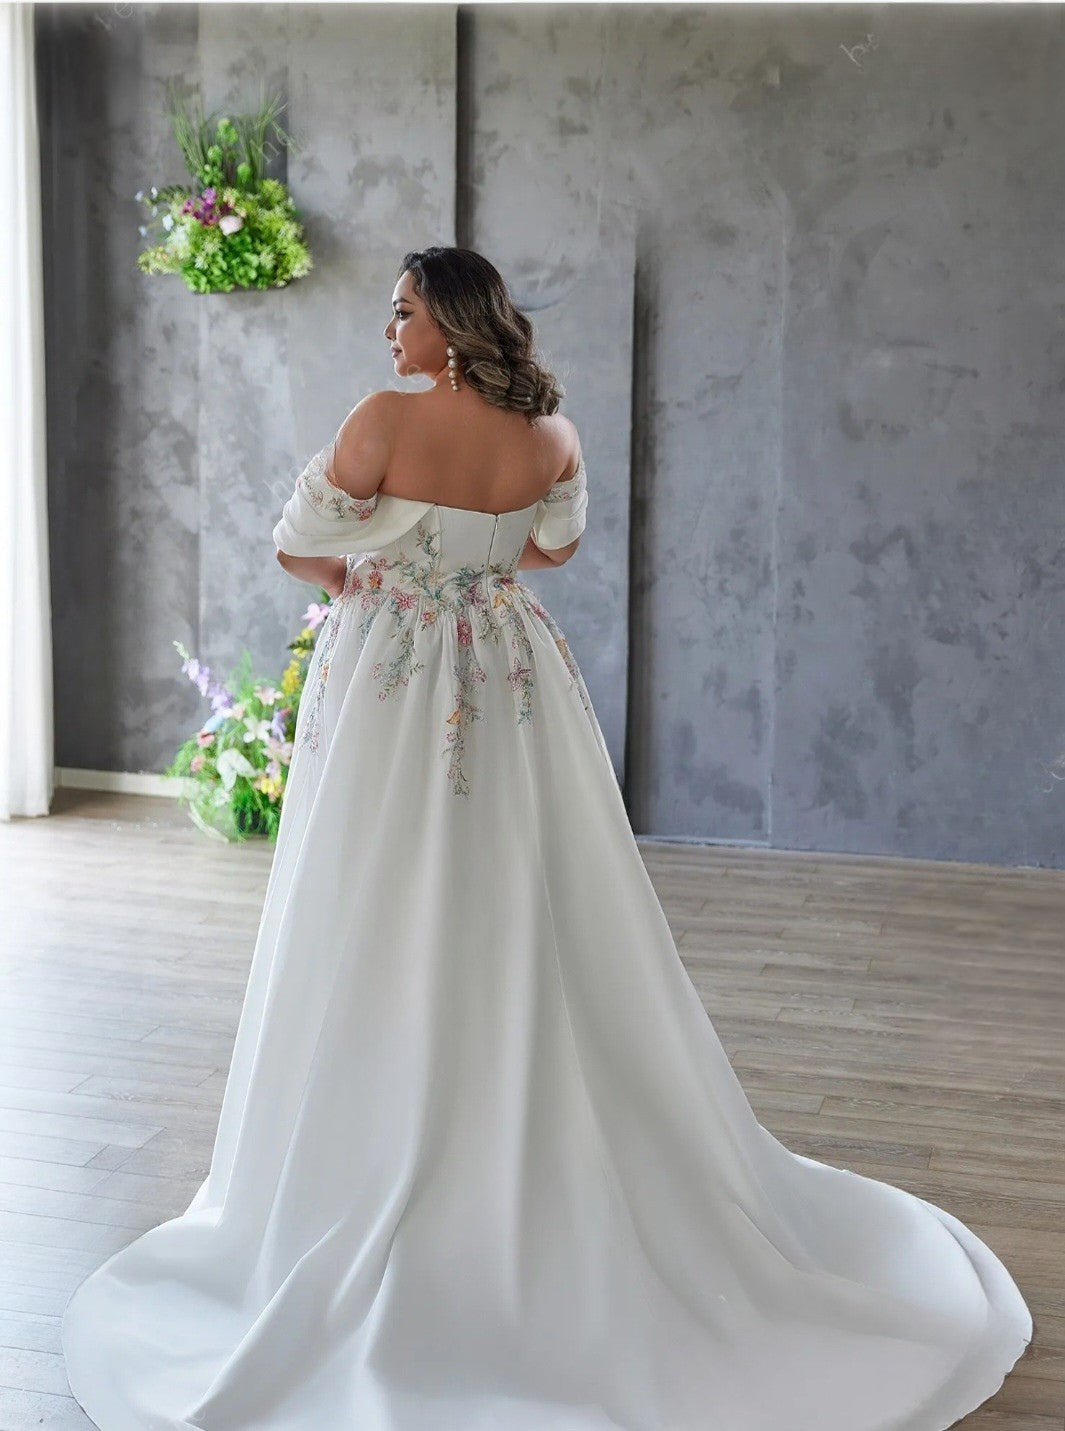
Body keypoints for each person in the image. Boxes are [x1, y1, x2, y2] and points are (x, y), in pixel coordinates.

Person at [62, 246, 1032, 1430]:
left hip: (390, 679)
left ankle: (377, 1114)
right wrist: (470, 568)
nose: (388, 330)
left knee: (369, 888)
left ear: (451, 324)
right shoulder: (554, 435)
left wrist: (382, 579)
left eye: (403, 310)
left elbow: (300, 545)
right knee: (528, 881)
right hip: (509, 666)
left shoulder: (382, 420)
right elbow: (551, 552)